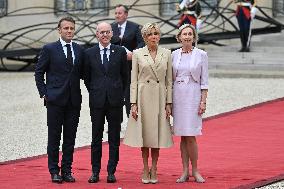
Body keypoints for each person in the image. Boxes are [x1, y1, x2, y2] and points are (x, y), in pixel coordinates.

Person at [34, 17, 84, 183]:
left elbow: (83, 73)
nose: (69, 31)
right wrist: (44, 93)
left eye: (72, 28)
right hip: (55, 100)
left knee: (70, 138)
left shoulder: (79, 49)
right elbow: (39, 72)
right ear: (59, 30)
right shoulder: (49, 49)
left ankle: (67, 170)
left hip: (74, 101)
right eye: (66, 28)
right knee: (54, 137)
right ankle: (54, 170)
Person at [123, 23, 173, 184]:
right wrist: (133, 103)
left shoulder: (167, 53)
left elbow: (169, 81)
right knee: (144, 135)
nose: (154, 37)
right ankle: (145, 167)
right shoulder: (137, 53)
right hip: (143, 97)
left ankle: (155, 167)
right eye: (150, 34)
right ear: (144, 37)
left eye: (156, 33)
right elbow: (134, 80)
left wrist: (168, 103)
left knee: (156, 134)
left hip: (159, 96)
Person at [83, 22, 128, 184]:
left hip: (115, 101)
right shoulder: (89, 53)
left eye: (107, 32)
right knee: (96, 138)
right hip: (97, 101)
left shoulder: (120, 51)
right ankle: (95, 172)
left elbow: (125, 77)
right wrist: (96, 90)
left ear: (111, 34)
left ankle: (111, 171)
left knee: (114, 138)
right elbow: (87, 78)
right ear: (97, 34)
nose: (104, 35)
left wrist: (118, 93)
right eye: (101, 32)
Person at [171, 24, 208, 183]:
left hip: (193, 95)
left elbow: (204, 81)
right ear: (179, 37)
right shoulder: (173, 54)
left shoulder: (201, 55)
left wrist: (203, 102)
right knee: (183, 137)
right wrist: (169, 103)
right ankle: (184, 170)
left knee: (191, 136)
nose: (187, 37)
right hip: (178, 95)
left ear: (194, 37)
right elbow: (170, 80)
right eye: (184, 34)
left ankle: (195, 170)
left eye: (189, 34)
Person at [111, 4, 144, 120]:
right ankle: (116, 122)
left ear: (126, 14)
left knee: (129, 94)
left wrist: (133, 54)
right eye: (115, 13)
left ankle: (131, 121)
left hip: (130, 66)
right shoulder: (111, 27)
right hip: (115, 67)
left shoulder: (135, 27)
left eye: (119, 13)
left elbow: (141, 43)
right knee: (115, 95)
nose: (117, 15)